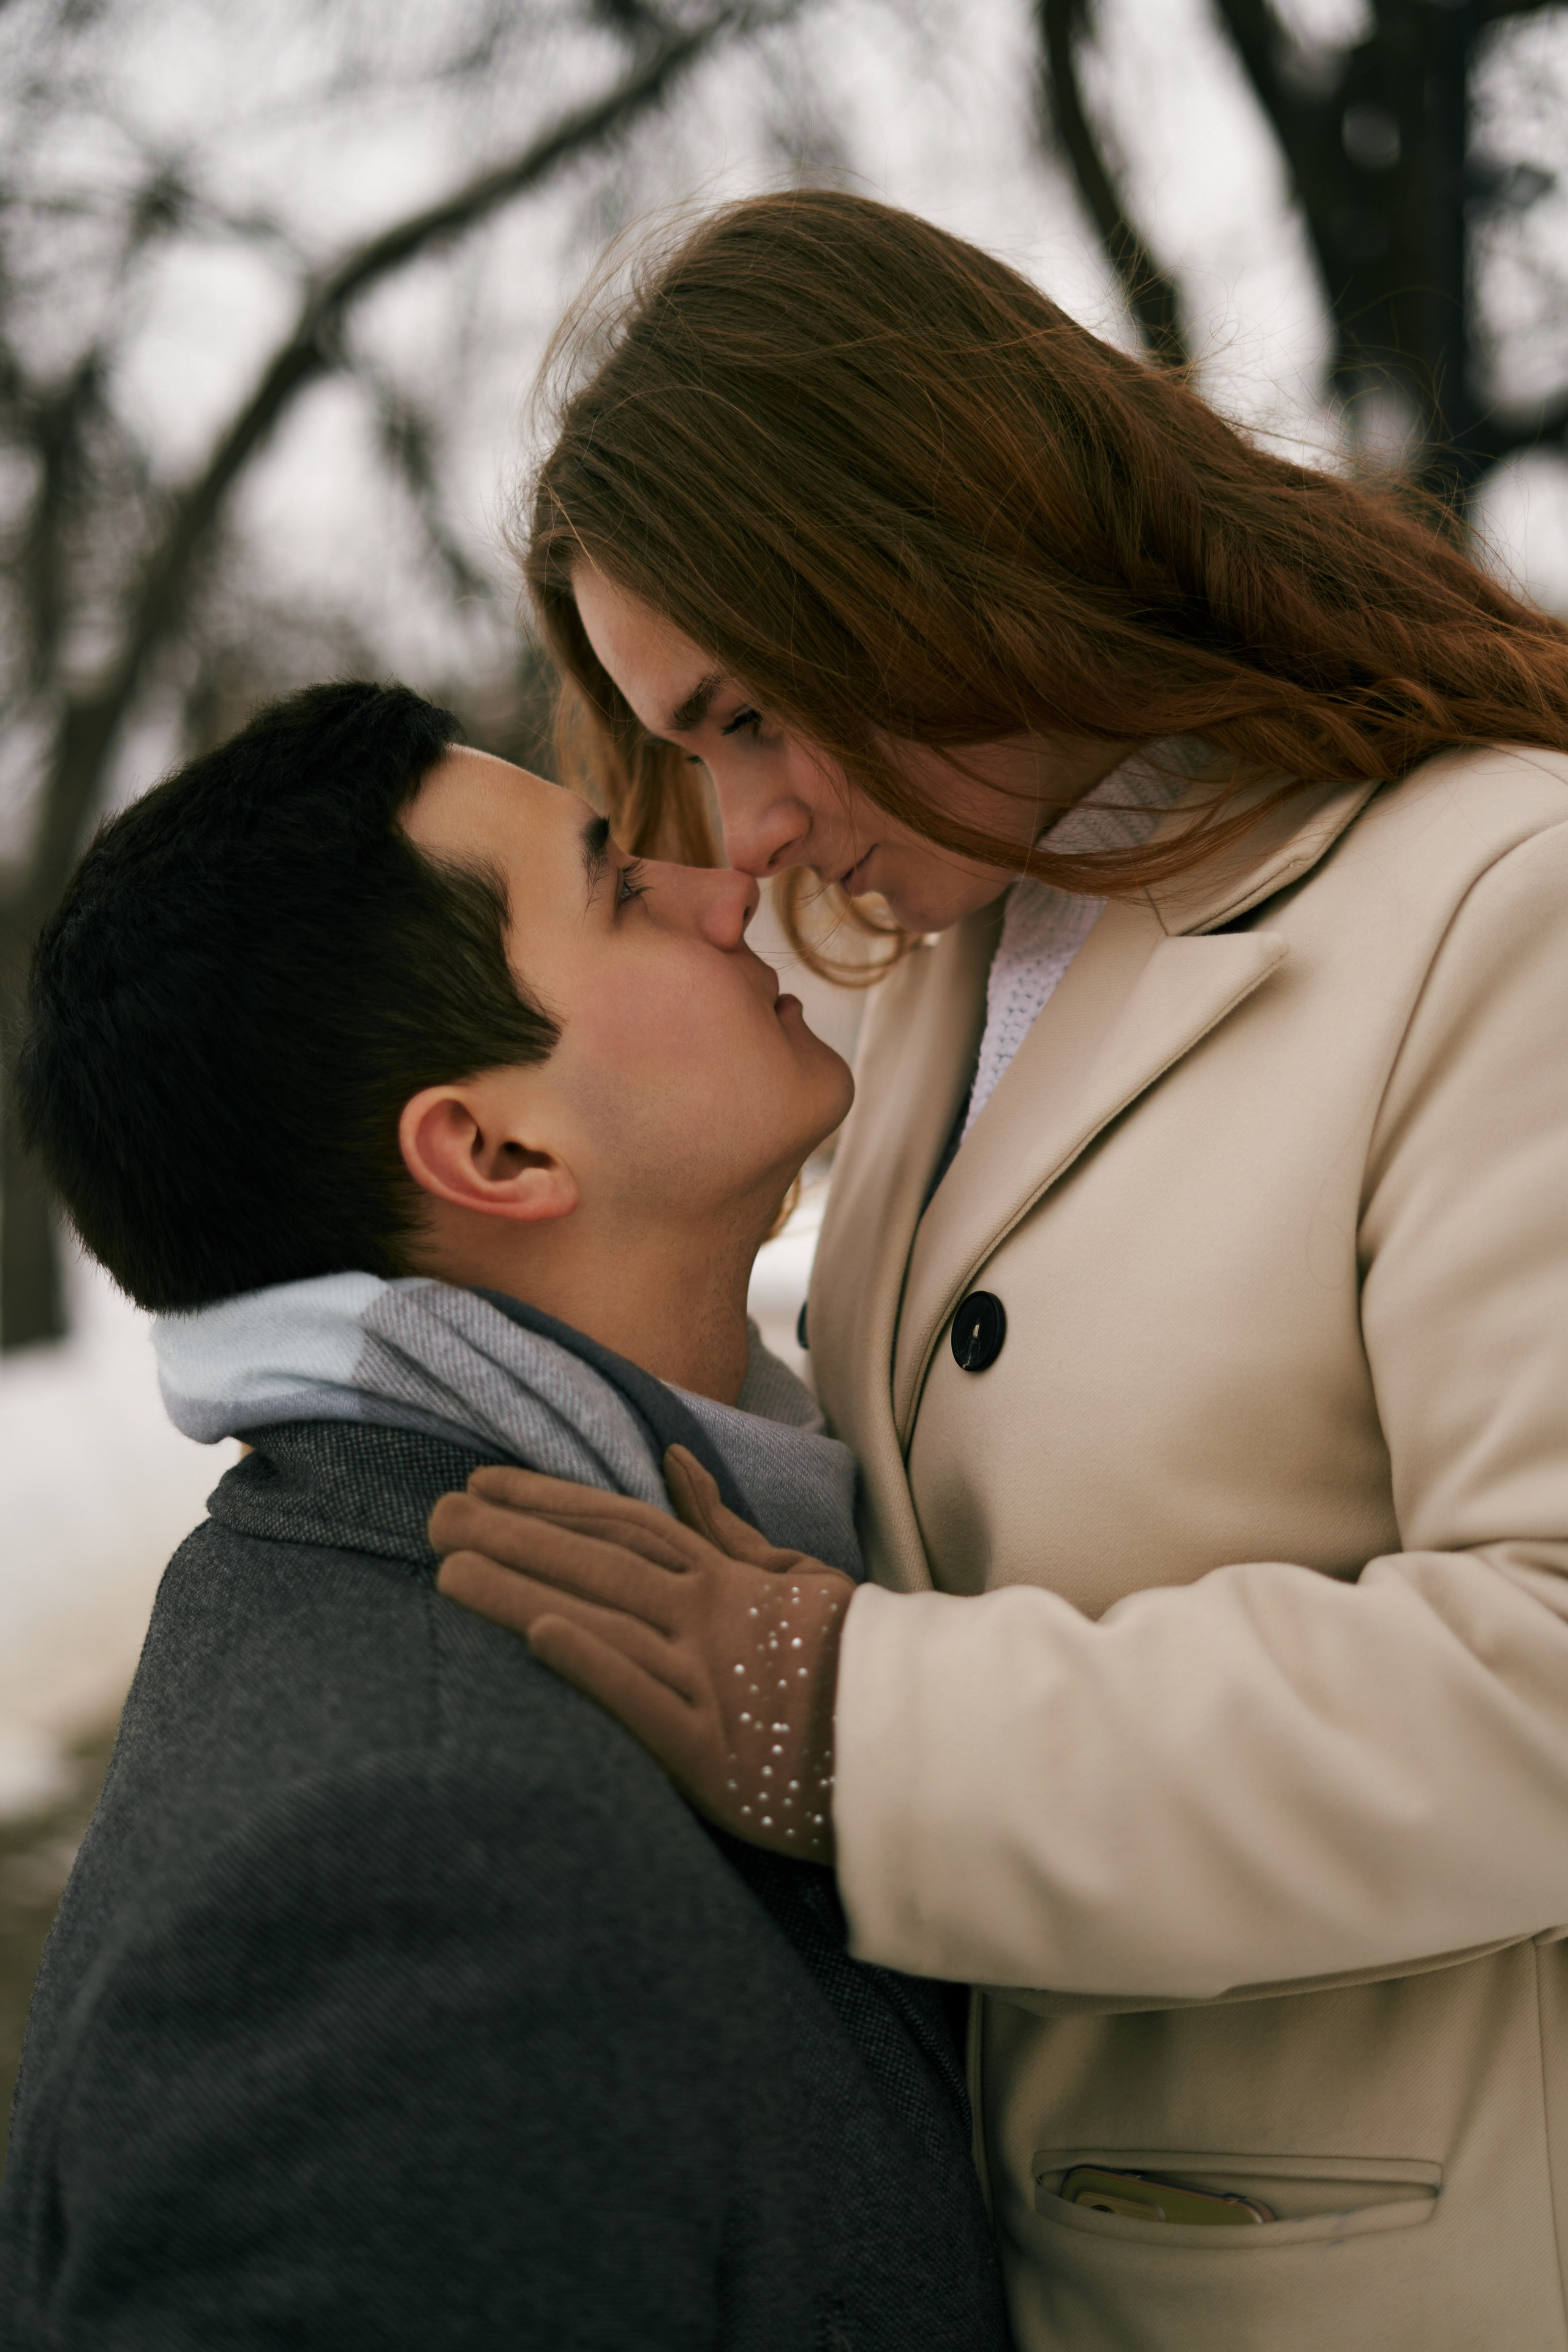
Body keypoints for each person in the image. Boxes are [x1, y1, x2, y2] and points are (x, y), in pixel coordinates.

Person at [427, 192, 1568, 2352]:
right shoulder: (946, 971)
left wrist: (862, 1733)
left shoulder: (1503, 902)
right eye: (694, 746)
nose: (738, 824)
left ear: (932, 556)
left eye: (753, 709)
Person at [0, 681, 1011, 2351]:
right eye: (621, 888)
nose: (723, 885)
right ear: (493, 1148)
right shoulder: (407, 1859)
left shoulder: (504, 1592)